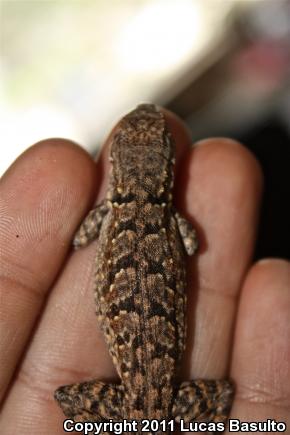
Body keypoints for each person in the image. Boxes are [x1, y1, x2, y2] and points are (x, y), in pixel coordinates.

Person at [0, 109, 289, 433]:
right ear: (167, 168)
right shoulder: (172, 220)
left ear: (116, 165)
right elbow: (192, 245)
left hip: (144, 409)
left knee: (69, 397)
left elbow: (80, 238)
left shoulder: (108, 214)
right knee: (222, 395)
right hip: (154, 406)